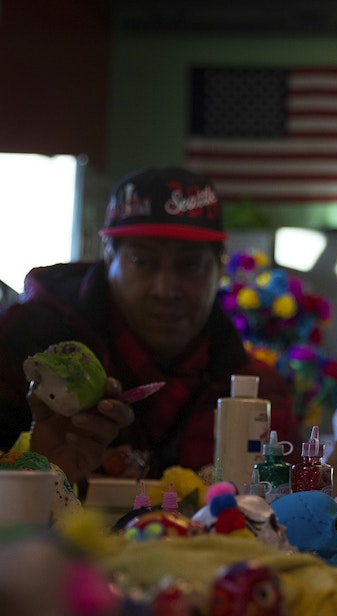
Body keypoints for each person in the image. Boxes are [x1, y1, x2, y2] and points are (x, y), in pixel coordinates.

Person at [0, 166, 300, 485]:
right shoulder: (24, 345)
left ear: (219, 268)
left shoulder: (259, 393)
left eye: (190, 265)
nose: (166, 290)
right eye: (142, 262)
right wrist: (38, 474)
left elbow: (287, 520)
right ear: (108, 258)